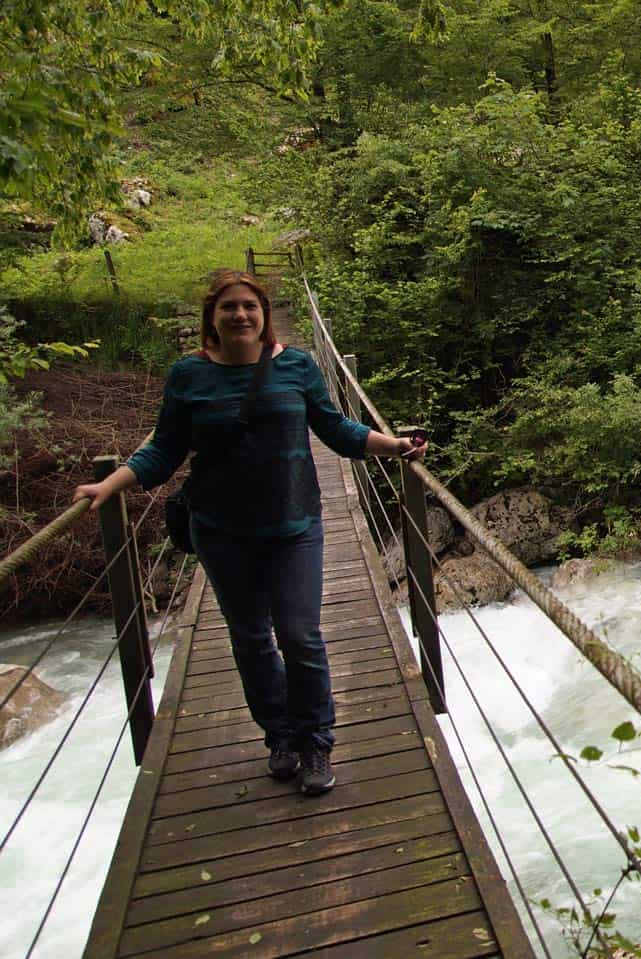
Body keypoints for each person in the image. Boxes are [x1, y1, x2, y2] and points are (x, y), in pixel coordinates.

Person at [73, 270, 426, 796]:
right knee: (252, 640)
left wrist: (392, 445)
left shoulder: (297, 365)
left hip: (294, 525)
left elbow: (335, 428)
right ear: (211, 319)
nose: (240, 315)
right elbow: (164, 449)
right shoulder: (187, 376)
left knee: (301, 636)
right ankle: (279, 736)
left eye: (250, 307)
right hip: (222, 532)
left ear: (263, 316)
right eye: (229, 307)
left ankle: (316, 744)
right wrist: (112, 485)